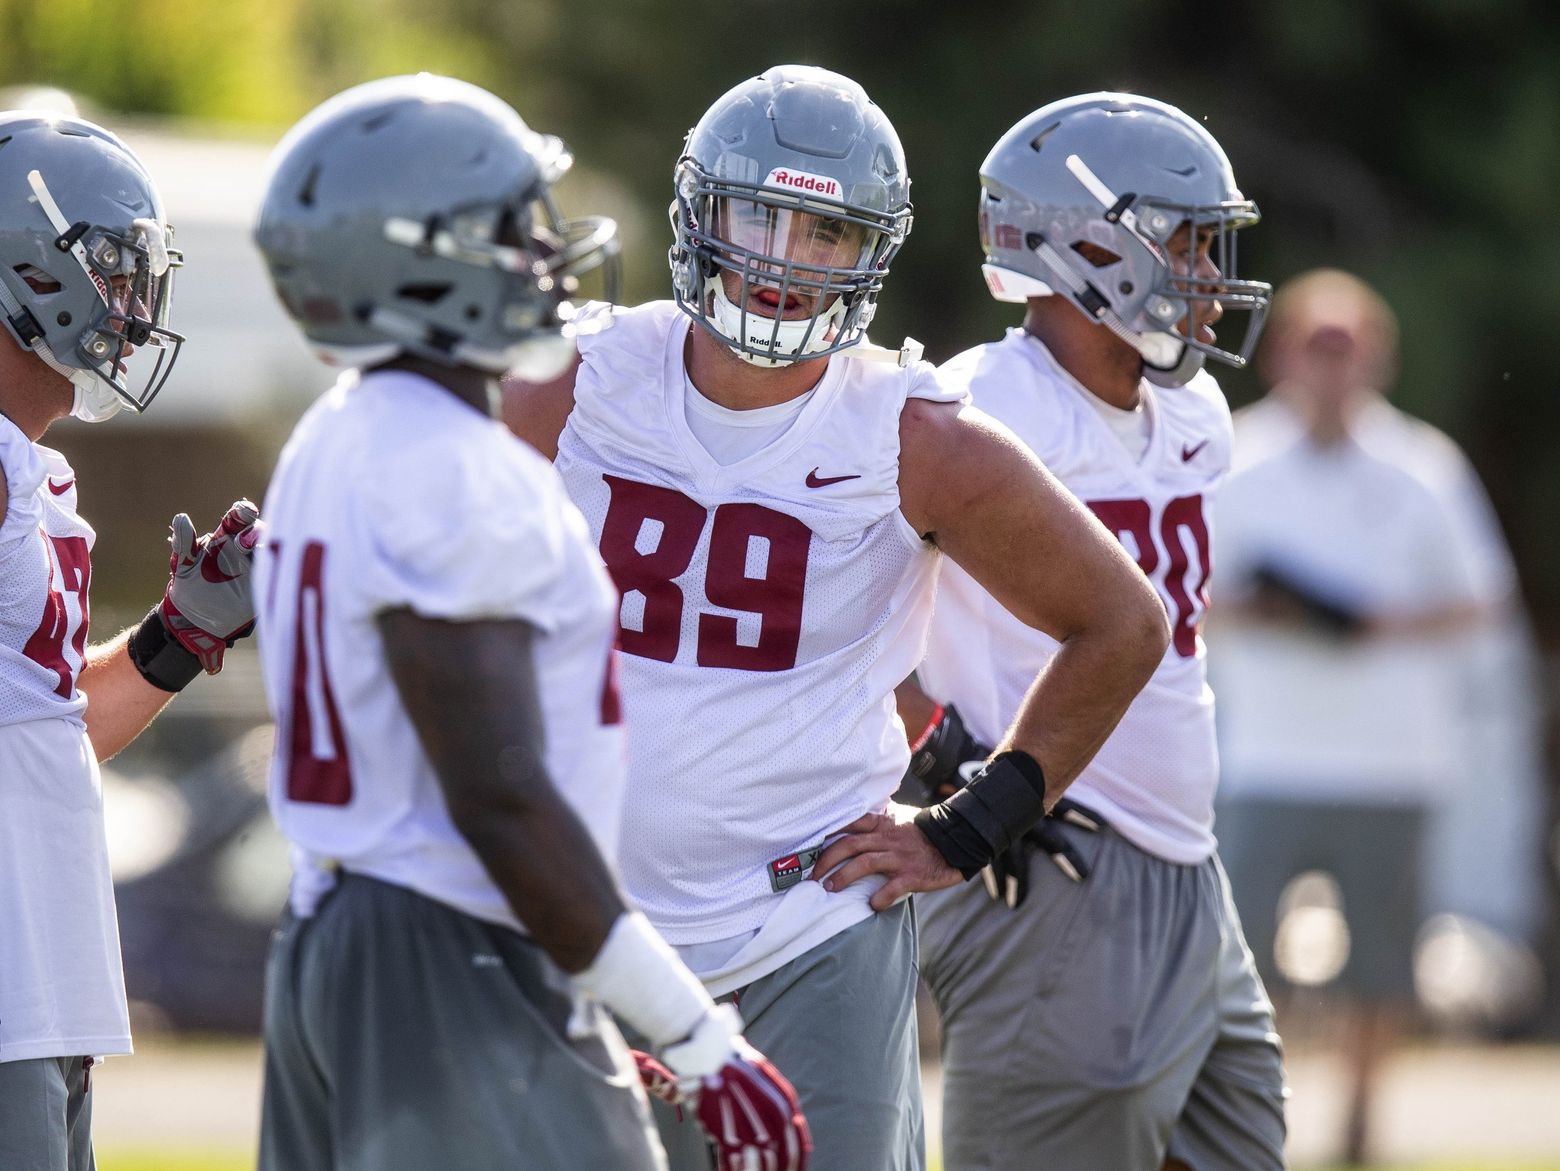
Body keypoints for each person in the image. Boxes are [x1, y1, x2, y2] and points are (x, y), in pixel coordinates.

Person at [503, 65, 1168, 1170]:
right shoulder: (576, 378)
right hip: (584, 918)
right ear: (701, 213)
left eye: (824, 231)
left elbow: (1122, 624)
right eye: (761, 213)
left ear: (871, 252)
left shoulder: (913, 436)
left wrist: (972, 822)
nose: (782, 256)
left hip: (806, 925)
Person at [250, 75, 808, 1171]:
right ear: (425, 256)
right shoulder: (457, 469)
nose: (547, 253)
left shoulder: (339, 432)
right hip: (451, 947)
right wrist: (693, 1032)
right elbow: (499, 796)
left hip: (342, 934)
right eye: (515, 228)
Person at [897, 93, 1289, 1171]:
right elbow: (860, 610)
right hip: (1055, 858)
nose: (1212, 277)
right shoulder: (979, 412)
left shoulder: (1195, 411)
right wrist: (939, 765)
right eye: (1190, 242)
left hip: (1186, 862)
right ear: (1091, 246)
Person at [0, 110, 260, 1170]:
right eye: (111, 272)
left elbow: (47, 733)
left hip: (48, 980)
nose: (133, 306)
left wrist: (180, 636)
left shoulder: (35, 475)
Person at [1210, 268, 1517, 1165]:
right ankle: (1245, 1111)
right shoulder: (1234, 455)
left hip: (1394, 759)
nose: (1334, 364)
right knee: (1242, 957)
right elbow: (1172, 595)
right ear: (1284, 352)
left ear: (1378, 357)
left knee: (1382, 964)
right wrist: (1267, 612)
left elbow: (1484, 603)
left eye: (1350, 347)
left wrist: (1379, 621)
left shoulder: (1425, 466)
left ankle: (1359, 1124)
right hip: (1265, 755)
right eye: (1319, 343)